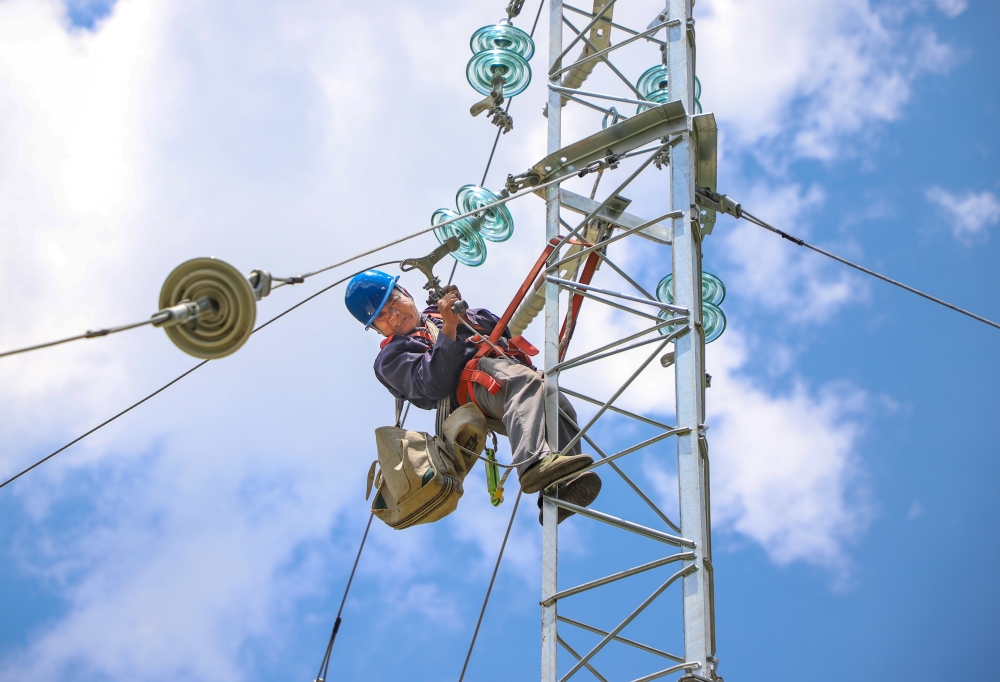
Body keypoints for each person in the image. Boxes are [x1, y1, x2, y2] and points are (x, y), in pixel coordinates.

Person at [345, 269, 601, 523]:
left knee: (554, 398)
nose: (394, 315)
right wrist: (449, 326)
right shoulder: (392, 357)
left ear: (407, 294)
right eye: (382, 316)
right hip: (474, 390)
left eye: (393, 302)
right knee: (521, 381)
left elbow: (500, 333)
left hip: (507, 387)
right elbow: (433, 384)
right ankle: (534, 463)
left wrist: (460, 313)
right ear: (377, 329)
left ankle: (559, 489)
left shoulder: (439, 315)